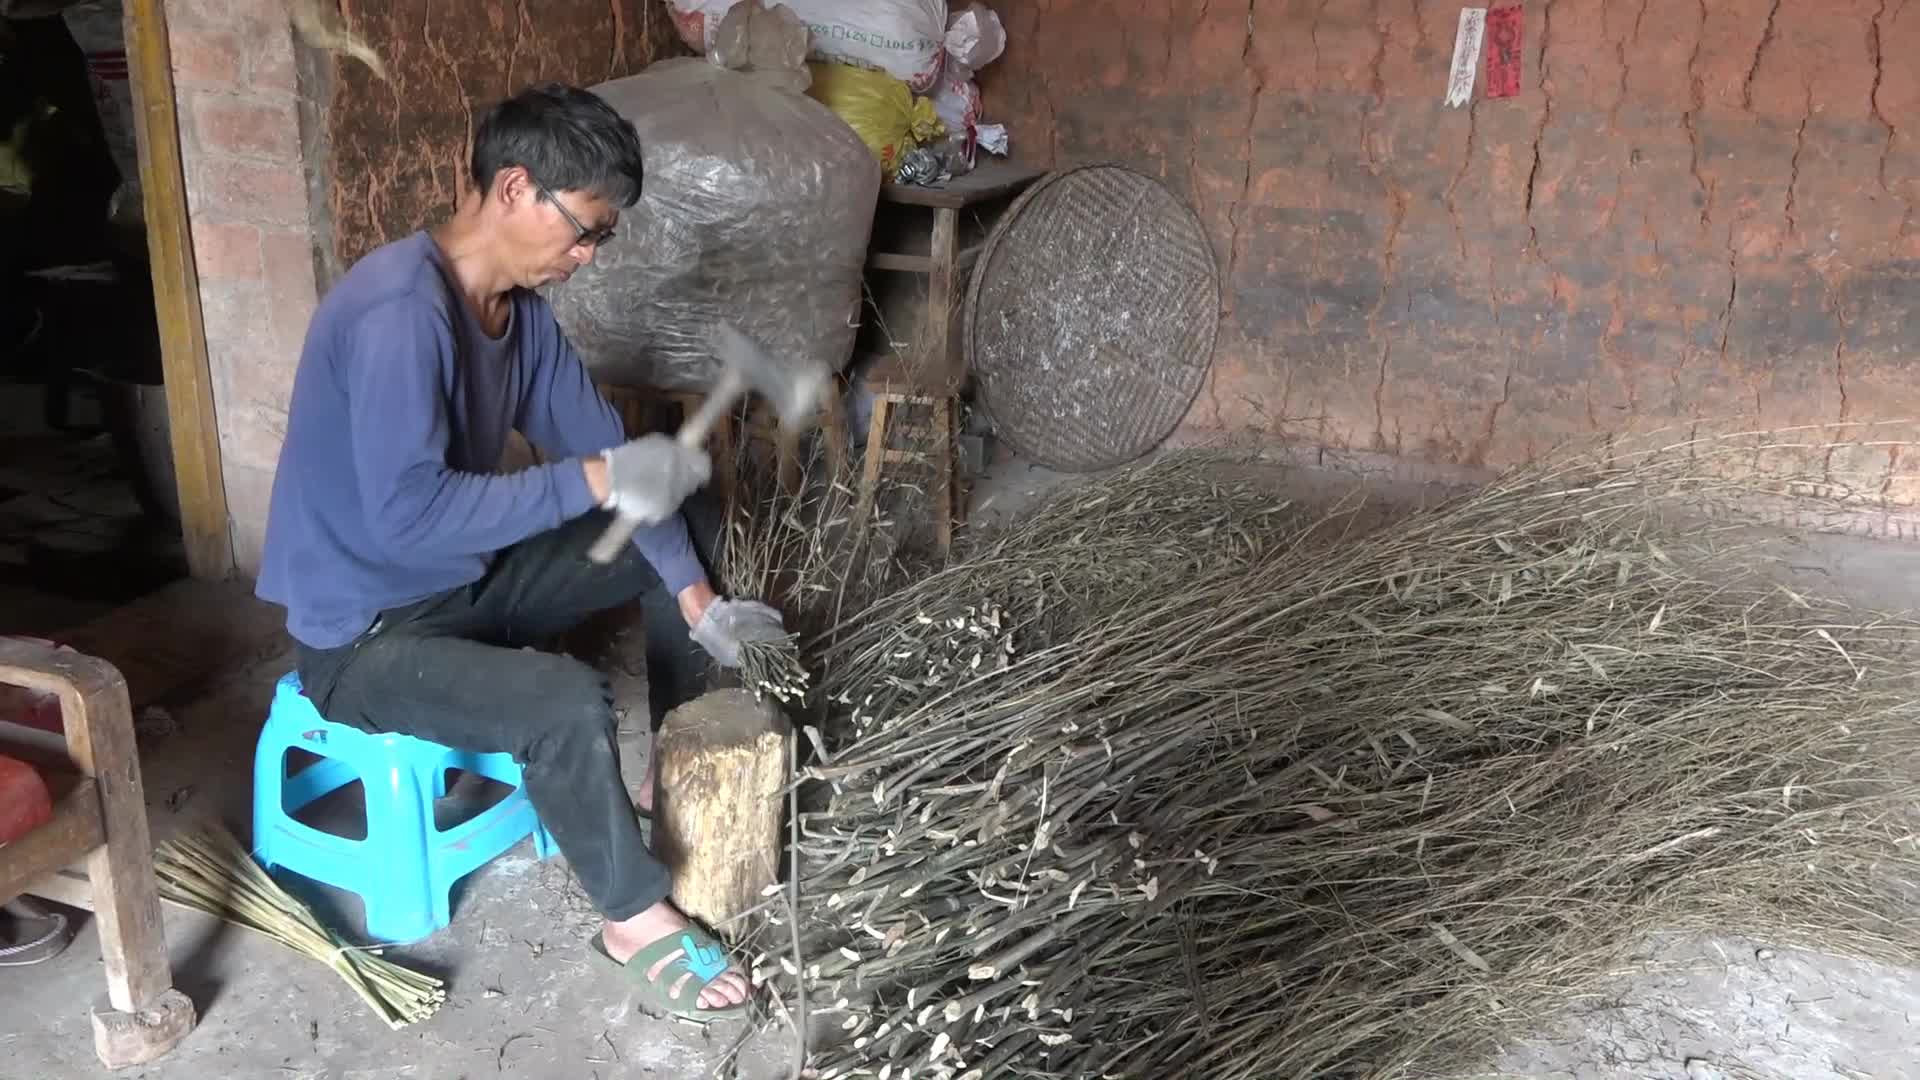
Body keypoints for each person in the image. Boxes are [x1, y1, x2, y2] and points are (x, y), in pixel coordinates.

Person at [254, 82, 785, 1020]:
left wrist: (697, 602)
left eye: (600, 237)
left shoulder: (520, 317)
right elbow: (408, 520)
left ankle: (670, 769)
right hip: (367, 633)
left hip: (465, 582)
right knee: (562, 701)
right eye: (583, 229)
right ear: (512, 189)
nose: (587, 255)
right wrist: (596, 480)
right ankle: (630, 915)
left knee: (680, 535)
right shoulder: (398, 316)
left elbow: (607, 455)